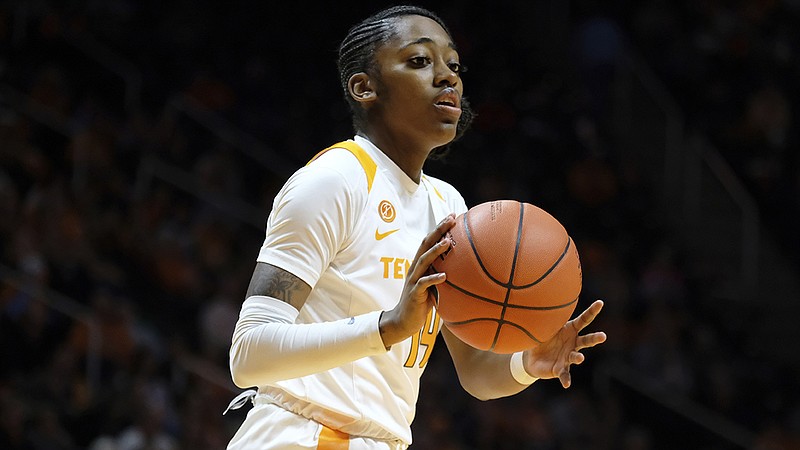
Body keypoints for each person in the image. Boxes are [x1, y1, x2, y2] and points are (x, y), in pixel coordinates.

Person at [225, 5, 607, 449]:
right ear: (365, 87)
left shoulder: (448, 206)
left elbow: (476, 373)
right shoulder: (336, 180)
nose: (449, 78)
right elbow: (248, 353)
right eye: (420, 61)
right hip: (302, 433)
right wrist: (387, 326)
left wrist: (527, 361)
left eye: (454, 65)